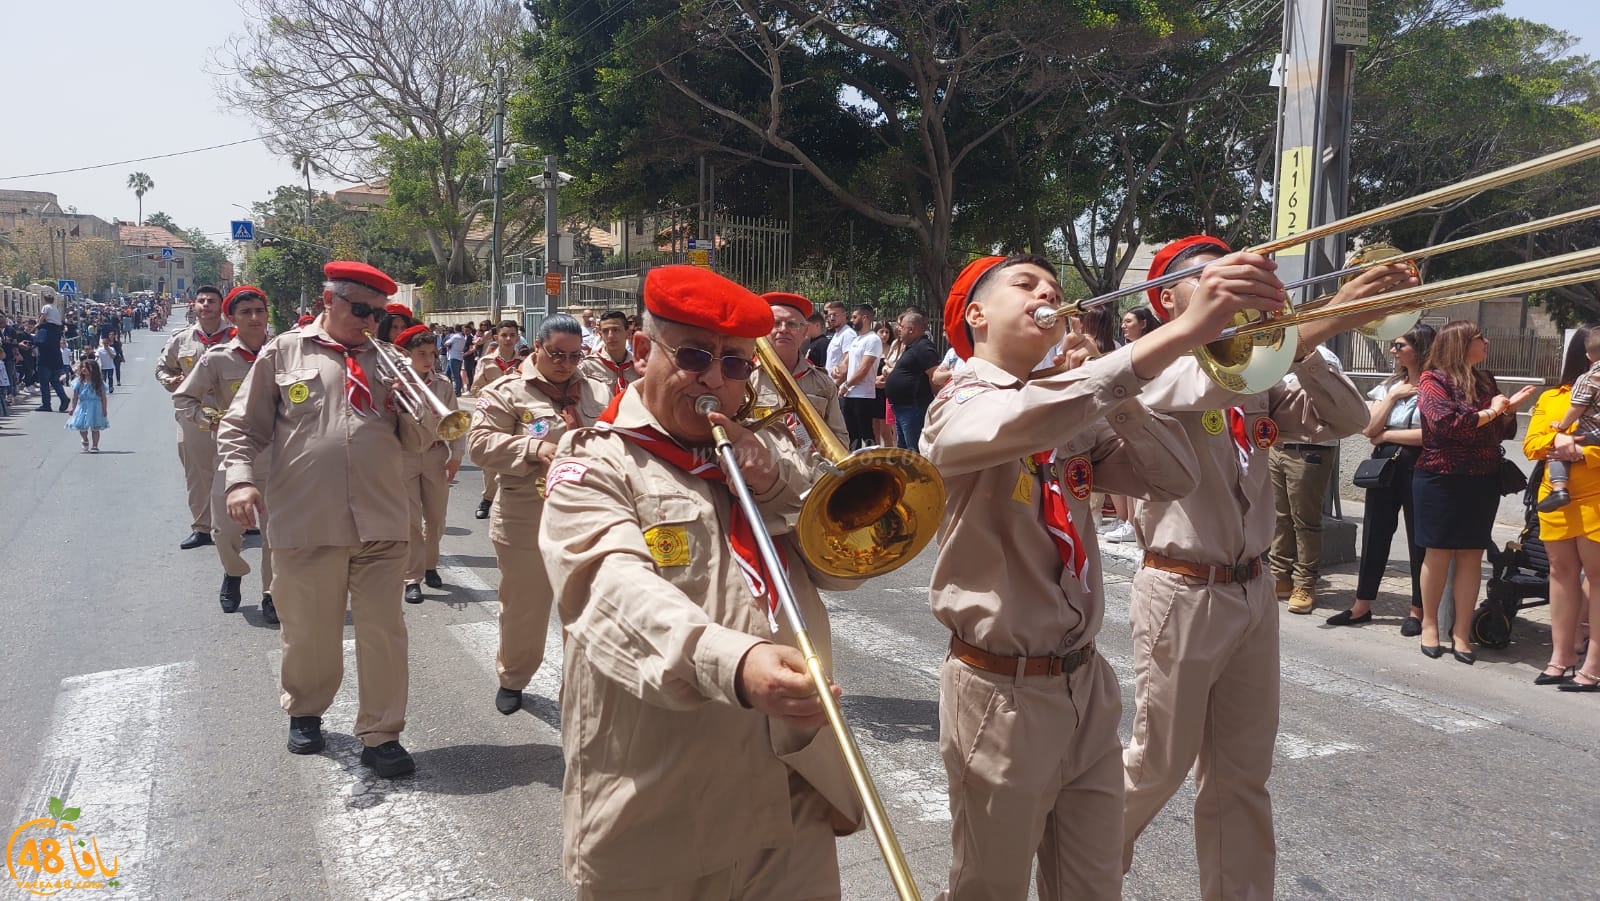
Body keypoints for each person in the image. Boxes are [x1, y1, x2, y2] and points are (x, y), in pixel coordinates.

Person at [923, 248, 1285, 899]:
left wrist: (1113, 395)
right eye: (1026, 284)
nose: (1048, 293)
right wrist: (1175, 337)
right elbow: (1015, 421)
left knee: (1092, 886)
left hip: (1084, 683)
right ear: (975, 314)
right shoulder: (958, 404)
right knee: (990, 885)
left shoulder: (1070, 402)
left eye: (1053, 285)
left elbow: (1172, 477)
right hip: (1000, 690)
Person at [538, 265, 863, 899]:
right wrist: (733, 662)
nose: (715, 379)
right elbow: (608, 586)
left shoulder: (768, 452)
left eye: (736, 364)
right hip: (661, 795)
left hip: (791, 782)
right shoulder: (594, 459)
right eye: (693, 356)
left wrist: (777, 487)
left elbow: (841, 571)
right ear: (640, 353)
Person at [1121, 236, 1408, 899]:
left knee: (1242, 774)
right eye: (1213, 279)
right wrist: (1326, 316)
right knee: (1159, 762)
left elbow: (1346, 417)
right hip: (1182, 590)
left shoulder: (1264, 365)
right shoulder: (1155, 364)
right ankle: (1080, 867)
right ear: (1168, 300)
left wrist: (1300, 344)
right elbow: (1193, 387)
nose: (1235, 288)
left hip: (1251, 588)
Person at [218, 261, 438, 778]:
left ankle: (382, 734)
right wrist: (240, 479)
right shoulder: (284, 351)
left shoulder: (391, 362)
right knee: (310, 630)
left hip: (382, 520)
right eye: (360, 309)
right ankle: (306, 709)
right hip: (307, 519)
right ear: (328, 300)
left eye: (377, 313)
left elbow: (420, 440)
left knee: (384, 630)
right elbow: (241, 427)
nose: (369, 321)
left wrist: (416, 412)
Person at [468, 314, 607, 716]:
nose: (566, 364)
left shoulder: (597, 389)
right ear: (538, 348)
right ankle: (513, 677)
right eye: (556, 354)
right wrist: (533, 450)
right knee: (524, 608)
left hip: (588, 514)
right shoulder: (506, 391)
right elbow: (478, 443)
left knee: (584, 609)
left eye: (574, 355)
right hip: (528, 513)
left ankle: (579, 692)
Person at [1413, 321, 1537, 664]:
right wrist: (1493, 410)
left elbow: (1500, 432)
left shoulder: (1486, 380)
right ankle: (1429, 625)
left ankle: (1462, 633)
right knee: (1437, 554)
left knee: (1471, 555)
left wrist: (1506, 412)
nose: (1487, 341)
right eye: (1480, 337)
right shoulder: (1432, 379)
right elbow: (1446, 423)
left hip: (1481, 479)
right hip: (1440, 477)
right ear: (1461, 344)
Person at [174, 286, 278, 622]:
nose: (254, 318)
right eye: (245, 312)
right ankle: (233, 573)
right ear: (232, 318)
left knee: (276, 534)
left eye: (259, 311)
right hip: (233, 459)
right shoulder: (216, 358)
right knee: (224, 531)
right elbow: (184, 397)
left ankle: (271, 594)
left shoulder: (282, 353)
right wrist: (207, 419)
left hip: (279, 459)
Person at [1327, 323, 1436, 632]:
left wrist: (1388, 434)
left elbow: (1432, 435)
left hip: (1420, 465)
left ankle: (1417, 609)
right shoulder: (1389, 385)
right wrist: (1394, 397)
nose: (1393, 350)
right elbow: (1367, 429)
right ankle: (1362, 605)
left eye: (1400, 345)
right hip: (1384, 465)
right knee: (1374, 534)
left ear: (1420, 348)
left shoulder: (1435, 386)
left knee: (1419, 538)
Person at [1523, 325, 1600, 688]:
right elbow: (1532, 444)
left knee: (1598, 577)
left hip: (1596, 494)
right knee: (1560, 571)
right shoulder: (1553, 396)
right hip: (1555, 495)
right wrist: (1561, 440)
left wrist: (1584, 451)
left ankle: (1594, 665)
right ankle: (1562, 655)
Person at [1266, 344, 1348, 615]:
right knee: (1280, 517)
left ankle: (1305, 583)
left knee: (1305, 521)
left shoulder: (1324, 356)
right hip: (1278, 446)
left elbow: (1334, 401)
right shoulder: (1279, 356)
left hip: (1309, 449)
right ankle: (1279, 576)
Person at [156, 285, 235, 550]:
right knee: (198, 474)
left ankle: (238, 522)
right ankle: (202, 527)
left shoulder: (237, 337)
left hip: (232, 416)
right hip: (193, 416)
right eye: (201, 300)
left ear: (221, 306)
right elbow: (162, 369)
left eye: (211, 300)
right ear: (194, 306)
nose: (205, 305)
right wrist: (172, 381)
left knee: (236, 470)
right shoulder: (182, 339)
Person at [396, 324, 463, 604]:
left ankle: (430, 565)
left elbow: (456, 420)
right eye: (421, 353)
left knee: (435, 518)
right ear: (408, 355)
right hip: (404, 456)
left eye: (432, 354)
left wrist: (456, 455)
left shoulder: (443, 384)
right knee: (410, 521)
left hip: (435, 454)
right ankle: (412, 578)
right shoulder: (395, 382)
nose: (427, 359)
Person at [751, 291, 849, 455]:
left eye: (792, 324)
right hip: (763, 472)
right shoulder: (744, 379)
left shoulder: (823, 383)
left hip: (813, 475)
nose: (783, 329)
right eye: (776, 323)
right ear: (763, 330)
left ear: (804, 333)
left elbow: (840, 438)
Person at [1535, 329, 1600, 511]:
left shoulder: (1588, 379)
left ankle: (1559, 489)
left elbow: (1577, 407)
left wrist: (1561, 429)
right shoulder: (1552, 397)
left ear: (1588, 355)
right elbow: (1532, 445)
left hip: (1591, 432)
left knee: (1558, 453)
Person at [469, 320, 526, 520]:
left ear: (518, 338)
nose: (508, 339)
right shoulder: (486, 362)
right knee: (491, 463)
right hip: (494, 418)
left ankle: (513, 502)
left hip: (519, 417)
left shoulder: (524, 364)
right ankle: (487, 499)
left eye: (512, 335)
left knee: (519, 459)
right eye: (504, 335)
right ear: (496, 338)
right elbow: (475, 389)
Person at [885, 308, 939, 450]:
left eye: (902, 327)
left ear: (912, 329)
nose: (898, 330)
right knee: (903, 451)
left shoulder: (924, 348)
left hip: (913, 409)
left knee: (914, 451)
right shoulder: (911, 347)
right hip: (902, 408)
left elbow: (933, 376)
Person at [839, 304, 882, 448]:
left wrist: (846, 385)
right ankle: (855, 466)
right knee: (851, 435)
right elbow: (846, 363)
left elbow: (864, 369)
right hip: (850, 395)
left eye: (854, 317)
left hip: (863, 396)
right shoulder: (856, 340)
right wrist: (836, 369)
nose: (851, 320)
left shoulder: (873, 339)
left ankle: (873, 466)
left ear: (865, 318)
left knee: (866, 434)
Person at [578, 310, 641, 396]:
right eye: (605, 331)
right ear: (600, 334)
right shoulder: (587, 367)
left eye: (616, 330)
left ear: (628, 333)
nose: (610, 335)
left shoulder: (639, 367)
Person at [64, 358, 108, 452]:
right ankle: (85, 439)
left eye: (87, 367)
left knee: (95, 427)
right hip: (83, 406)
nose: (84, 369)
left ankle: (95, 446)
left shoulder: (98, 383)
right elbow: (75, 397)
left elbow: (103, 397)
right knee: (81, 426)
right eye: (83, 367)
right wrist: (73, 408)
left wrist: (104, 409)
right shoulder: (79, 382)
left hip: (95, 406)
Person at [442, 325, 469, 395]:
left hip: (453, 357)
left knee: (455, 375)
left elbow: (446, 343)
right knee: (448, 373)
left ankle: (457, 391)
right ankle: (449, 389)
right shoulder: (463, 337)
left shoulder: (455, 337)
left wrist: (448, 345)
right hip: (459, 356)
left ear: (455, 329)